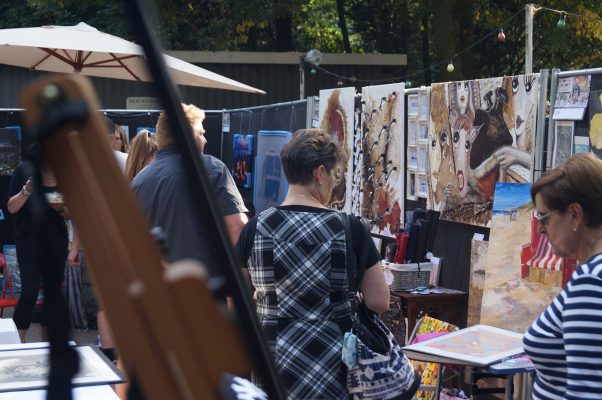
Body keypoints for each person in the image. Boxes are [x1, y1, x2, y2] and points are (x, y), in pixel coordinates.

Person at [236, 128, 389, 399]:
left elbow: (235, 303)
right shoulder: (351, 229)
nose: (333, 182)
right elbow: (379, 301)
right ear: (320, 173)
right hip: (336, 366)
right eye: (334, 175)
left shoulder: (255, 228)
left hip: (270, 362)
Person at [523, 153, 602, 399]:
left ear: (575, 215)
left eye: (544, 217)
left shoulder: (591, 282)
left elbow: (588, 391)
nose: (540, 229)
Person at [132, 103, 248, 268]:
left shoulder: (138, 181)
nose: (205, 139)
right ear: (187, 136)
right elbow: (236, 226)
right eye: (200, 133)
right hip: (205, 285)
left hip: (155, 287)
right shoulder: (211, 168)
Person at [7, 158, 69, 342]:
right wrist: (28, 189)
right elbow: (11, 207)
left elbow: (70, 213)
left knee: (54, 292)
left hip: (56, 239)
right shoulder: (23, 169)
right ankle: (19, 342)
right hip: (29, 239)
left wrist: (52, 194)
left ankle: (51, 345)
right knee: (29, 290)